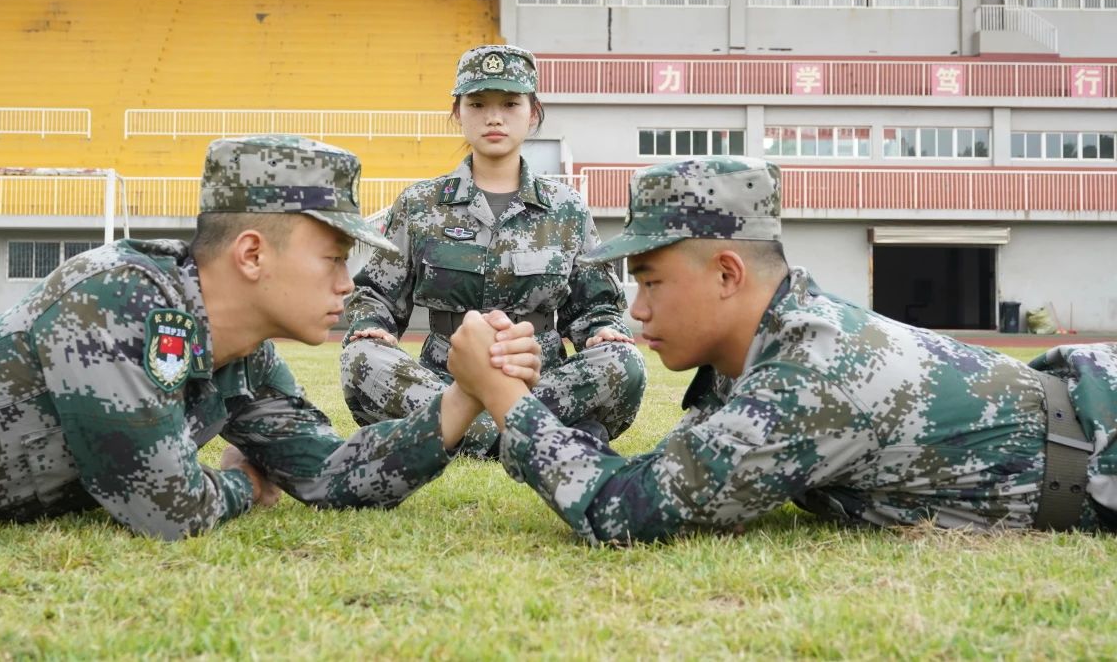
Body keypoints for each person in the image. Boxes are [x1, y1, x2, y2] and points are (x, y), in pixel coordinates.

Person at [0, 135, 541, 540]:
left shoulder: (248, 357)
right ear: (252, 254)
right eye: (333, 259)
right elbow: (168, 508)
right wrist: (244, 483)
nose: (345, 284)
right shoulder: (116, 298)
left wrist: (464, 397)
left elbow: (333, 473)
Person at [446, 155, 1117, 543]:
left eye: (651, 281)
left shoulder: (810, 375)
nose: (637, 308)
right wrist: (524, 403)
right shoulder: (769, 344)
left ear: (727, 274)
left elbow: (623, 508)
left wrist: (502, 395)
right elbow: (663, 469)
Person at [340, 44, 647, 455]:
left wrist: (602, 331)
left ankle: (454, 435)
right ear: (458, 112)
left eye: (510, 103)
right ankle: (535, 434)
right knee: (361, 357)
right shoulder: (420, 204)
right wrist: (372, 324)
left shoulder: (566, 207)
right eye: (478, 104)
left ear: (533, 112)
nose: (494, 117)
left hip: (541, 382)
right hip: (445, 381)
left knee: (623, 362)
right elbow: (376, 292)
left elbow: (596, 305)